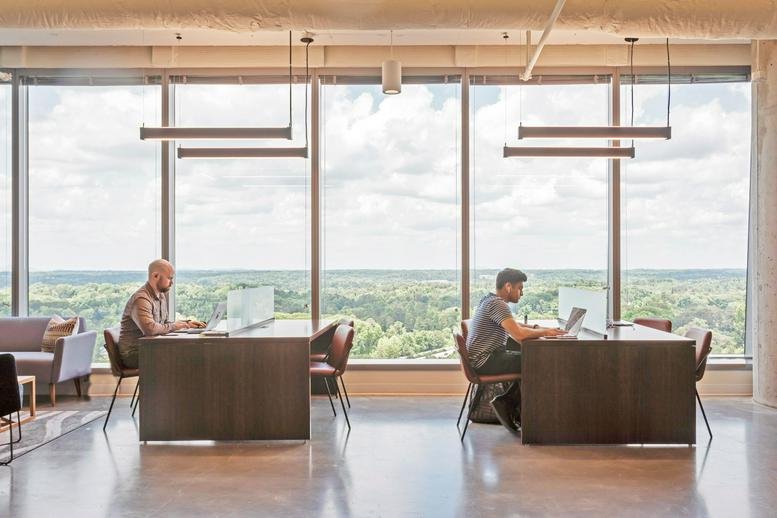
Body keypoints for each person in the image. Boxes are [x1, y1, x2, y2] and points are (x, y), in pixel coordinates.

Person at [466, 268, 567, 433]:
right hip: (486, 360)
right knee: (537, 362)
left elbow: (514, 325)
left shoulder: (490, 300)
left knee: (529, 359)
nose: (522, 293)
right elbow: (519, 335)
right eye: (520, 288)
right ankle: (508, 403)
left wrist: (537, 327)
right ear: (508, 286)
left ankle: (514, 407)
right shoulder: (498, 304)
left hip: (485, 358)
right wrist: (546, 332)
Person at [118, 259, 204, 368]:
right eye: (169, 278)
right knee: (183, 355)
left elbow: (164, 323)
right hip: (133, 353)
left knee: (189, 352)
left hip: (150, 347)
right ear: (155, 276)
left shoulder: (160, 295)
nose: (172, 283)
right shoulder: (141, 299)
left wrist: (187, 323)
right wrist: (177, 326)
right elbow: (151, 330)